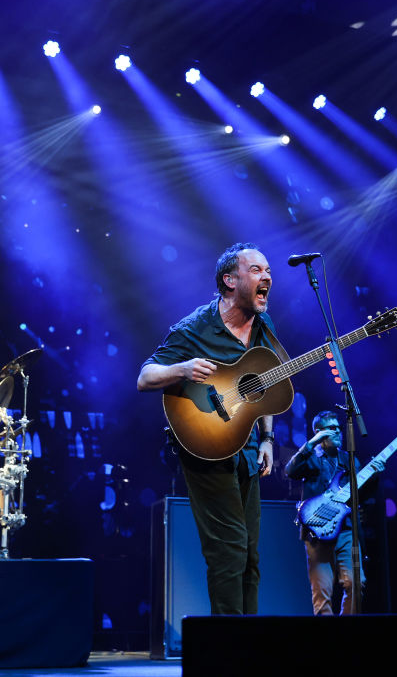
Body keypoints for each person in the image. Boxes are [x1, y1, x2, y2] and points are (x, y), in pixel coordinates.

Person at [137, 242, 278, 615]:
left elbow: (266, 382)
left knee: (250, 554)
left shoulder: (264, 326)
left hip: (248, 447)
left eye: (268, 270)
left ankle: (249, 640)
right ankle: (227, 643)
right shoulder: (194, 327)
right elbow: (145, 377)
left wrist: (267, 438)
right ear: (230, 280)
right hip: (205, 444)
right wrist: (182, 369)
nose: (267, 276)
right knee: (228, 549)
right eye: (256, 270)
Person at [286, 410, 383, 615]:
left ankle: (346, 630)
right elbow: (290, 471)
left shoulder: (349, 460)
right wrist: (311, 443)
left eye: (339, 428)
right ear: (319, 432)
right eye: (332, 428)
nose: (338, 431)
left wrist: (373, 476)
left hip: (346, 531)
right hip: (317, 533)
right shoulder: (311, 456)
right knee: (322, 595)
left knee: (356, 583)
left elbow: (358, 496)